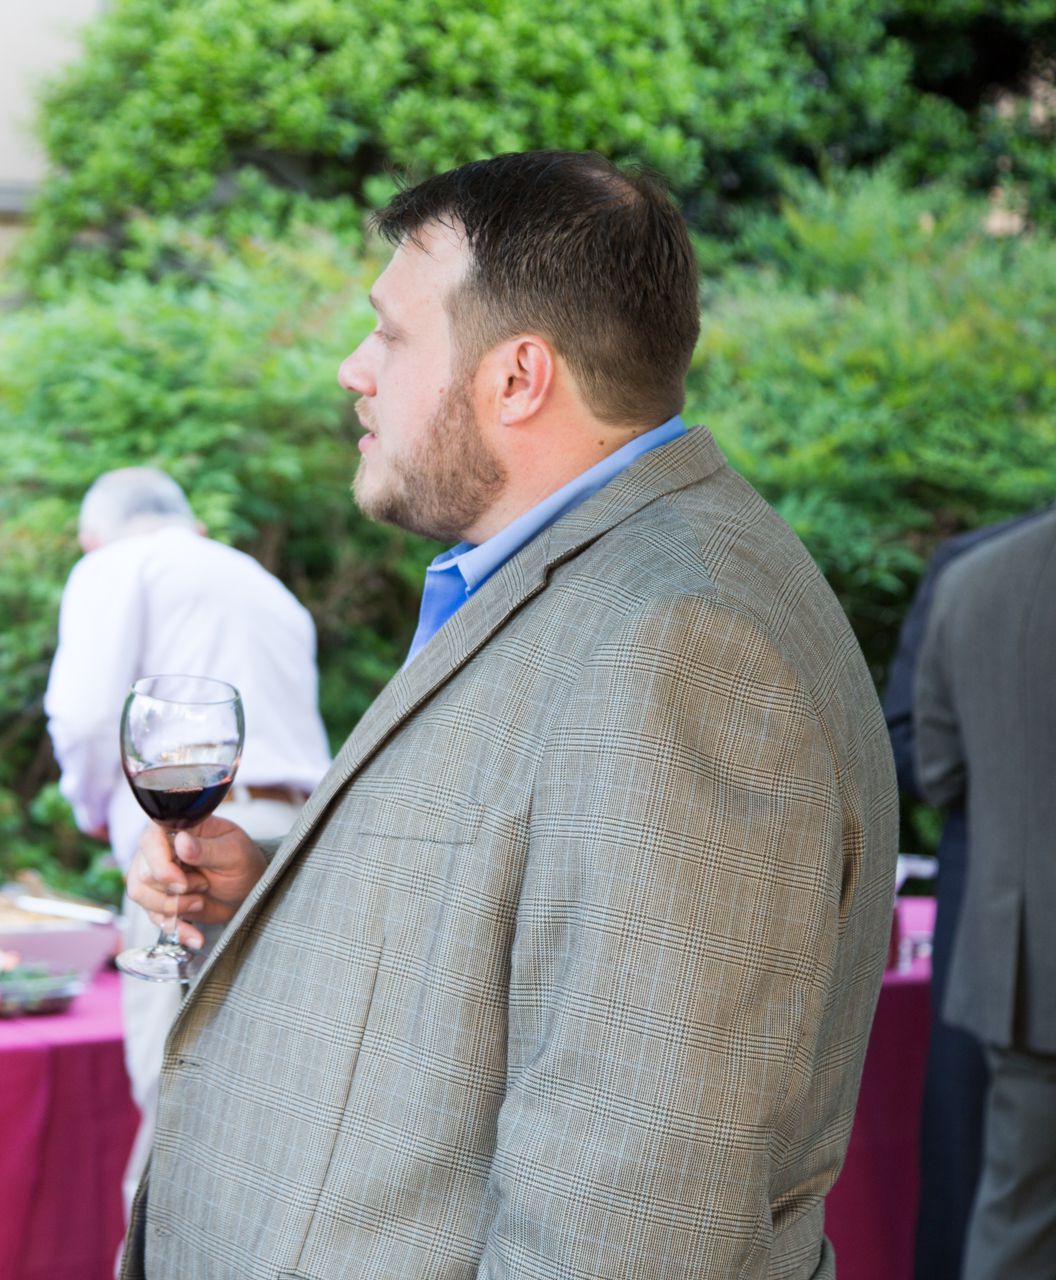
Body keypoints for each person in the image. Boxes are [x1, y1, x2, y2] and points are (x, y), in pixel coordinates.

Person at [123, 150, 898, 1278]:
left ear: (519, 376)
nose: (354, 369)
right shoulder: (590, 576)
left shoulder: (684, 640)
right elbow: (533, 909)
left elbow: (633, 1209)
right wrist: (291, 891)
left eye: (390, 334)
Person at [43, 466, 331, 1217]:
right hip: (302, 847)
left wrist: (95, 810)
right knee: (278, 1099)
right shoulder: (263, 585)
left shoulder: (114, 564)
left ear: (92, 538)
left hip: (195, 850)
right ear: (193, 524)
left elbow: (85, 716)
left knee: (173, 1101)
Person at [883, 506, 1048, 1279]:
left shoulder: (981, 576)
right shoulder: (974, 567)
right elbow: (908, 745)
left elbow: (935, 765)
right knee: (981, 1180)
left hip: (1024, 959)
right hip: (1004, 935)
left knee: (1010, 1210)